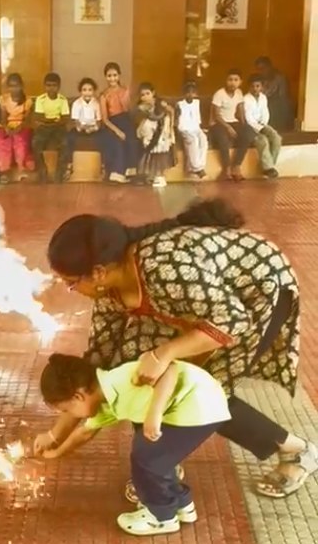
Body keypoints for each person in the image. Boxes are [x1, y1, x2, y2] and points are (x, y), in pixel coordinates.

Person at [34, 199, 318, 500]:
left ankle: (299, 452)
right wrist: (56, 434)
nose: (72, 290)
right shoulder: (110, 292)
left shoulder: (163, 267)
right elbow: (96, 368)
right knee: (131, 368)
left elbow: (232, 320)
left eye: (71, 283)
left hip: (258, 293)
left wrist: (164, 354)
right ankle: (162, 465)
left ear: (99, 272)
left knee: (208, 390)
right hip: (198, 305)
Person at [38, 353, 230, 536]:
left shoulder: (121, 379)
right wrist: (56, 452)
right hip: (189, 408)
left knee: (146, 458)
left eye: (67, 409)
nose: (72, 416)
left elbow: (169, 368)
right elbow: (85, 433)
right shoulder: (104, 402)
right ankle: (181, 505)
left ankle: (161, 517)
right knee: (156, 456)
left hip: (200, 403)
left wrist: (155, 412)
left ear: (78, 396)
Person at [209, 69, 254, 181]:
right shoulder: (219, 94)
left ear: (240, 82)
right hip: (219, 123)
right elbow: (216, 115)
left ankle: (237, 166)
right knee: (223, 139)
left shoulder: (239, 93)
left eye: (235, 80)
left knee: (248, 133)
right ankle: (227, 169)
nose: (232, 82)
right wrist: (228, 128)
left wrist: (243, 126)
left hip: (233, 122)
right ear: (226, 80)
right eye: (230, 80)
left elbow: (241, 111)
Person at [99, 62, 138, 184]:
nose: (112, 78)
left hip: (126, 120)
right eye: (109, 76)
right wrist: (118, 131)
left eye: (115, 75)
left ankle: (131, 173)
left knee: (132, 139)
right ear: (106, 77)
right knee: (117, 141)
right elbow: (105, 119)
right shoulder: (104, 95)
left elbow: (129, 110)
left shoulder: (125, 90)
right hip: (112, 124)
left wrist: (125, 98)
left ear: (119, 76)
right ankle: (116, 174)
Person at [0, 72, 34, 183]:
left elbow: (27, 120)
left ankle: (21, 170)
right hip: (7, 125)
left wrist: (18, 128)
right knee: (1, 140)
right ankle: (4, 172)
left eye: (16, 86)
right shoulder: (4, 99)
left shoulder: (27, 101)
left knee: (19, 140)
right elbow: (3, 118)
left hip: (22, 126)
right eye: (11, 86)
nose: (14, 89)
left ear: (21, 86)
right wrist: (6, 128)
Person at [134, 82, 175, 187]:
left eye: (148, 93)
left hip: (162, 129)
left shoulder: (160, 103)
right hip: (149, 132)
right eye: (142, 95)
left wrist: (171, 127)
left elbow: (171, 111)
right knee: (150, 152)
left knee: (160, 152)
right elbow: (141, 121)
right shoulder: (141, 107)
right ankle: (151, 175)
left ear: (153, 93)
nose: (145, 97)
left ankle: (160, 175)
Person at [32, 72, 70, 182]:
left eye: (54, 85)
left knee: (65, 143)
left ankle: (60, 173)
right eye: (48, 85)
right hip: (44, 128)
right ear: (44, 86)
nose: (51, 88)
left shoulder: (62, 100)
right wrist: (53, 120)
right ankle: (42, 170)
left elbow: (65, 118)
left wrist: (50, 120)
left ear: (58, 87)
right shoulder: (41, 99)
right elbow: (39, 117)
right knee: (35, 142)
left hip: (58, 127)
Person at [243, 74, 281, 179]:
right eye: (253, 86)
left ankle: (268, 166)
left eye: (258, 86)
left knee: (276, 138)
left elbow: (265, 112)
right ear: (249, 87)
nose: (255, 89)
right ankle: (269, 168)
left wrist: (263, 124)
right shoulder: (245, 99)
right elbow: (248, 118)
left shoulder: (263, 98)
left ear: (262, 87)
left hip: (262, 124)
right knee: (263, 141)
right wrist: (259, 128)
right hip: (251, 127)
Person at [176, 81, 207, 178]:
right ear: (184, 94)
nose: (190, 94)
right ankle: (197, 168)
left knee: (203, 139)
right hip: (184, 128)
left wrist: (200, 128)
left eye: (192, 92)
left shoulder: (197, 103)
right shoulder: (180, 104)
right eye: (188, 92)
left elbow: (197, 118)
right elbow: (177, 120)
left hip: (195, 127)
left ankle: (199, 166)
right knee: (193, 140)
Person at [254, 56, 294, 133]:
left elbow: (283, 97)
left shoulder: (280, 78)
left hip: (278, 110)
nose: (261, 72)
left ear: (269, 67)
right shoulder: (260, 80)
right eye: (259, 70)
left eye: (263, 68)